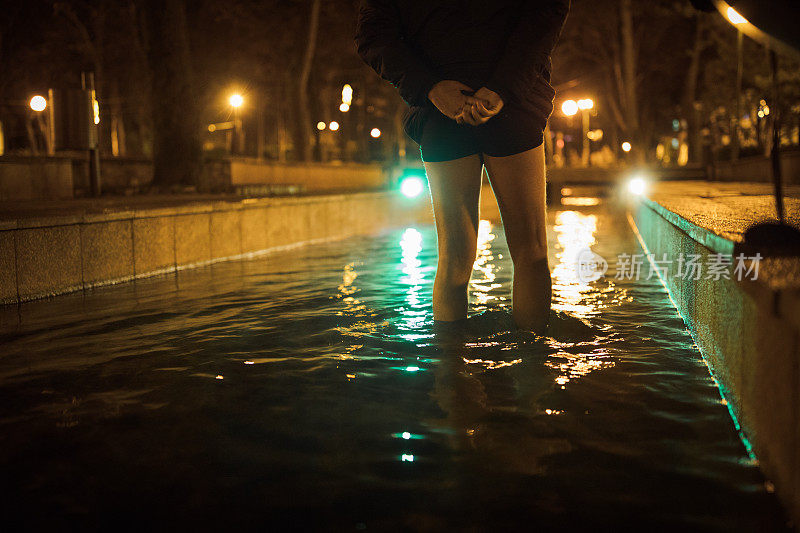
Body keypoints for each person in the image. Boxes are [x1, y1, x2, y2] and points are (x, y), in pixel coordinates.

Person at [355, 0, 570, 333]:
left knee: (454, 260)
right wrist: (504, 86)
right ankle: (535, 374)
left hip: (441, 111)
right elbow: (543, 15)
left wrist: (430, 88)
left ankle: (450, 375)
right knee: (531, 252)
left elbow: (374, 34)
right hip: (511, 104)